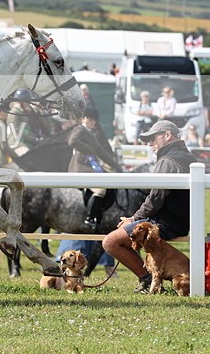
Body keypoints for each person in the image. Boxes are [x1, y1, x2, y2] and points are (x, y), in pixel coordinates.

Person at [102, 120, 198, 293]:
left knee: (110, 242)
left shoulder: (167, 161)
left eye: (154, 138)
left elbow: (156, 198)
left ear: (168, 136)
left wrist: (134, 219)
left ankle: (147, 279)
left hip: (165, 223)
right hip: (180, 222)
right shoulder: (188, 157)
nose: (150, 143)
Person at [68, 106, 121, 230]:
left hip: (90, 167)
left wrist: (116, 166)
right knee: (100, 190)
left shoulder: (90, 133)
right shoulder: (80, 129)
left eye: (94, 120)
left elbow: (100, 152)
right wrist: (87, 149)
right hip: (80, 167)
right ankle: (90, 218)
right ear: (84, 118)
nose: (94, 122)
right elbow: (72, 141)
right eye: (91, 120)